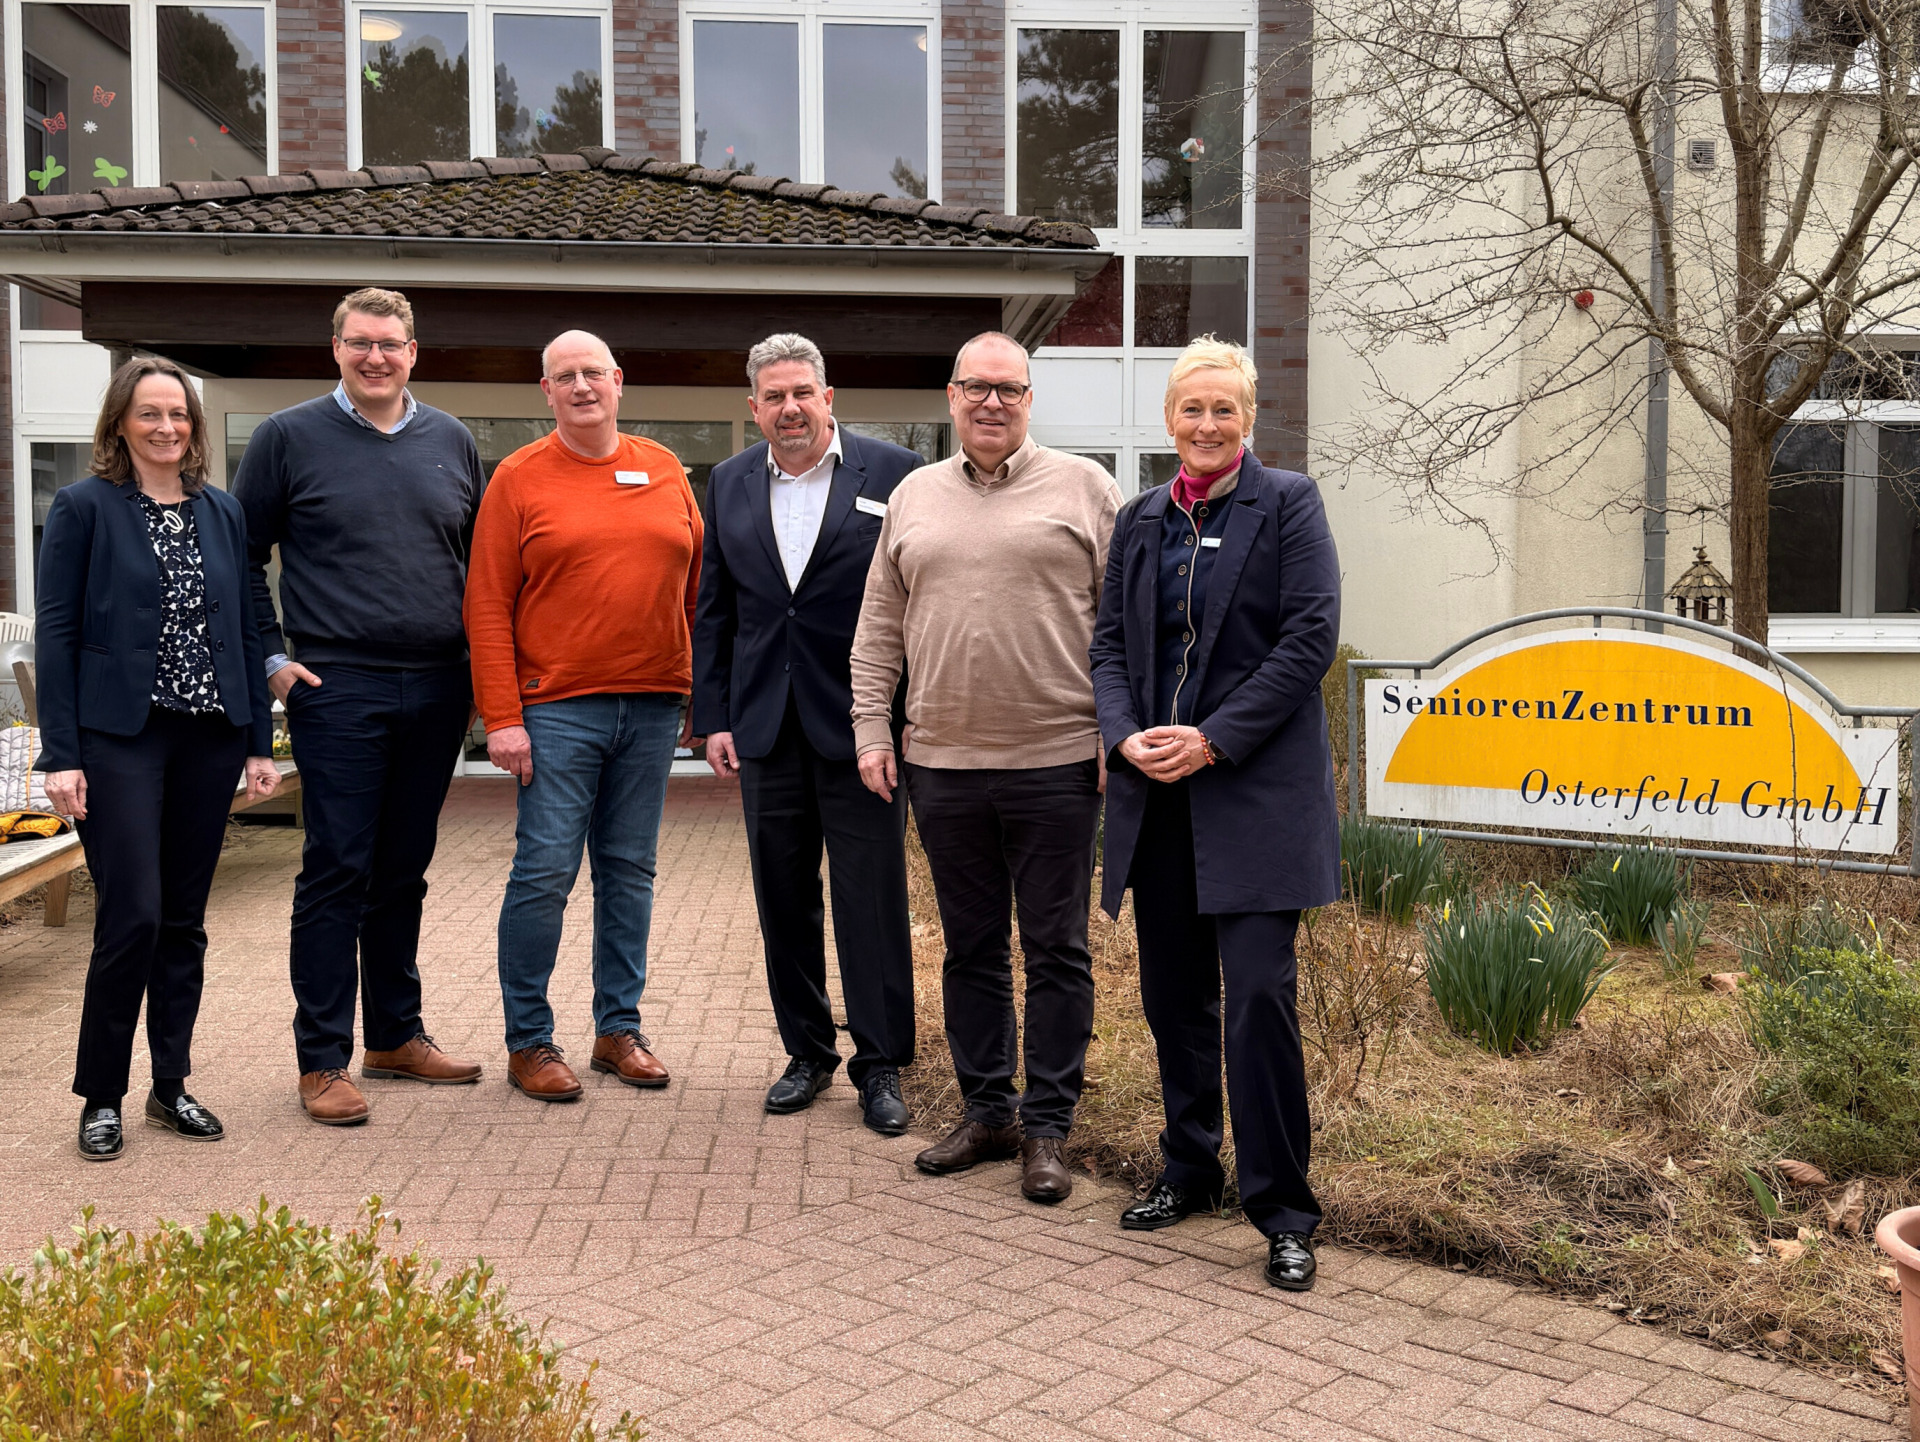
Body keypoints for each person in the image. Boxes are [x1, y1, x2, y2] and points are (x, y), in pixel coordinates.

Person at [1088, 336, 1341, 1292]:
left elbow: (1310, 635)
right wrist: (1123, 736)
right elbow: (1110, 644)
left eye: (1222, 410)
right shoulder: (1140, 518)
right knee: (1173, 999)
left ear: (1248, 418)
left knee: (1261, 1001)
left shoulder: (1290, 505)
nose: (1205, 426)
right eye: (1190, 410)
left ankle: (1282, 1209)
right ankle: (1188, 1169)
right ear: (1168, 420)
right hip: (1159, 799)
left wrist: (1213, 738)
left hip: (1256, 796)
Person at [850, 331, 1120, 1204]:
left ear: (1030, 399)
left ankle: (1048, 1128)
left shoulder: (1087, 488)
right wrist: (871, 730)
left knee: (1055, 951)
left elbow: (1124, 631)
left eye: (1009, 388)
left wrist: (1117, 734)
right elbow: (879, 628)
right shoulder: (913, 495)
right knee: (969, 950)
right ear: (952, 396)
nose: (992, 402)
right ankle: (987, 1110)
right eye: (976, 388)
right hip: (943, 764)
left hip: (1057, 759)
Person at [233, 287, 487, 1126]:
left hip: (439, 683)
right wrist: (270, 656)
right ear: (335, 348)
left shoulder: (451, 439)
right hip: (338, 683)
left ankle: (395, 1037)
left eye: (391, 343)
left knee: (403, 870)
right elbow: (240, 558)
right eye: (360, 343)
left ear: (415, 353)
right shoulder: (286, 437)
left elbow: (475, 567)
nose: (376, 357)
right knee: (337, 868)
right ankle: (321, 1060)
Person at [36, 357, 280, 1161]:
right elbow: (60, 634)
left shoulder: (222, 512)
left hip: (209, 739)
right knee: (132, 915)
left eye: (178, 414)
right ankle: (100, 1094)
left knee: (184, 921)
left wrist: (256, 742)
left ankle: (170, 1086)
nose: (167, 427)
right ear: (120, 423)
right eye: (150, 414)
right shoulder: (83, 508)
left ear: (194, 427)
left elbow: (245, 627)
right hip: (120, 740)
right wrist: (61, 755)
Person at [692, 334, 921, 1134]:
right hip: (763, 725)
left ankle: (882, 1062)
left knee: (871, 897)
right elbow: (714, 609)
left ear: (829, 397)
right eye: (773, 396)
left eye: (803, 393)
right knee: (782, 899)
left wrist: (901, 718)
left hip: (862, 728)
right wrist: (713, 716)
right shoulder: (725, 483)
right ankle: (807, 1051)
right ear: (753, 409)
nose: (789, 408)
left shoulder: (892, 474)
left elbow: (916, 599)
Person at [464, 331, 700, 1101]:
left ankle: (616, 1030)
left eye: (592, 372)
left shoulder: (664, 467)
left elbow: (697, 586)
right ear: (547, 393)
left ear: (618, 381)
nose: (581, 386)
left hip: (655, 704)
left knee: (629, 873)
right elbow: (487, 605)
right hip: (558, 709)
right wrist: (501, 715)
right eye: (564, 376)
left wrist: (698, 690)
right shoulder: (518, 478)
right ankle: (529, 1042)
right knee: (544, 874)